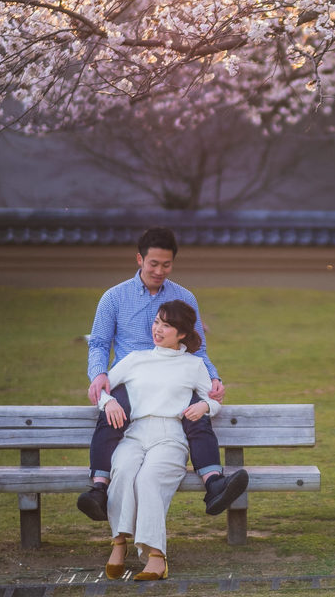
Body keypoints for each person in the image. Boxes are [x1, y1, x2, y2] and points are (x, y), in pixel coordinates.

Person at [78, 226, 248, 522]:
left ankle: (214, 485)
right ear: (139, 259)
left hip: (175, 373)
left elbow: (198, 347)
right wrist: (98, 374)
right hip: (132, 378)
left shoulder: (185, 297)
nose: (159, 270)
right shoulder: (114, 298)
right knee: (111, 416)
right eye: (153, 263)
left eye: (166, 264)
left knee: (197, 415)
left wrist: (213, 378)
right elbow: (100, 343)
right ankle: (99, 489)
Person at [101, 299, 219, 580]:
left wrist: (205, 406)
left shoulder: (194, 365)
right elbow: (101, 388)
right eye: (156, 322)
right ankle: (119, 543)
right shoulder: (135, 360)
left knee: (149, 478)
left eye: (166, 325)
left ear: (181, 334)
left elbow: (214, 402)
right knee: (123, 470)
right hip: (134, 434)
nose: (158, 329)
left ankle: (156, 555)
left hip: (170, 437)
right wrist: (108, 402)